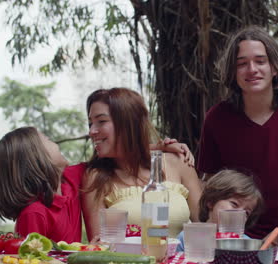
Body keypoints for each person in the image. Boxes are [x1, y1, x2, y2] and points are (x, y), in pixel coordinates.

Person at [197, 25, 278, 238]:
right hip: (237, 239)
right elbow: (211, 185)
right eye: (242, 64)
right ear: (233, 72)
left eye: (260, 61)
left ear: (274, 67)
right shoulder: (216, 118)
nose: (252, 69)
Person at [82, 88, 202, 240]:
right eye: (90, 123)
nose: (92, 131)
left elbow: (205, 225)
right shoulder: (96, 178)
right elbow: (99, 248)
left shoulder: (178, 162)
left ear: (128, 123)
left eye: (101, 121)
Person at [0, 127, 85, 243]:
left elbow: (104, 162)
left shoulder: (72, 178)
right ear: (37, 158)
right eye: (48, 139)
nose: (55, 143)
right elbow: (30, 258)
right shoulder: (34, 214)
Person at [176, 169, 264, 252]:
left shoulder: (247, 245)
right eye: (234, 204)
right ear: (211, 201)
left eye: (247, 213)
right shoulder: (187, 237)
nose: (240, 214)